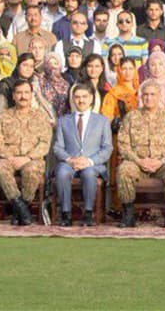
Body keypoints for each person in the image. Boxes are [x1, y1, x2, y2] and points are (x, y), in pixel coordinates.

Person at [115, 81, 165, 228]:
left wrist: (161, 161)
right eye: (145, 95)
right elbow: (123, 145)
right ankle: (128, 214)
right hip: (137, 164)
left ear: (159, 96)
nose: (149, 98)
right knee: (123, 169)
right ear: (141, 97)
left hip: (162, 165)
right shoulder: (131, 117)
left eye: (153, 94)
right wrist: (139, 161)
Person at [0, 80, 54, 226]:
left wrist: (28, 158)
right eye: (19, 93)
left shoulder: (41, 116)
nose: (22, 96)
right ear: (13, 96)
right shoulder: (4, 116)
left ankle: (20, 208)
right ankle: (21, 207)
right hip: (9, 158)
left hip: (32, 158)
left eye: (26, 93)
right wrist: (10, 157)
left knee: (32, 170)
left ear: (31, 95)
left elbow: (45, 143)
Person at [53, 84, 113, 226]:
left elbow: (107, 148)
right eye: (77, 97)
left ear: (91, 98)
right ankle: (66, 213)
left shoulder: (102, 121)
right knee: (61, 172)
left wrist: (90, 161)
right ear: (73, 99)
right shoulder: (63, 121)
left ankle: (88, 213)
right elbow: (57, 147)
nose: (81, 100)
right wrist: (70, 160)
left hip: (92, 164)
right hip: (70, 162)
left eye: (84, 97)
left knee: (89, 173)